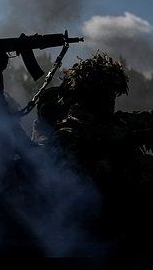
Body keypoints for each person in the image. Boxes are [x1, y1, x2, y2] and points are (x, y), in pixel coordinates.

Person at [42, 53, 153, 251]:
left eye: (112, 93)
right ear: (88, 95)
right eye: (104, 93)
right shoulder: (68, 135)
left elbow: (144, 122)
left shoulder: (117, 123)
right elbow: (70, 192)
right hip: (95, 235)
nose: (110, 100)